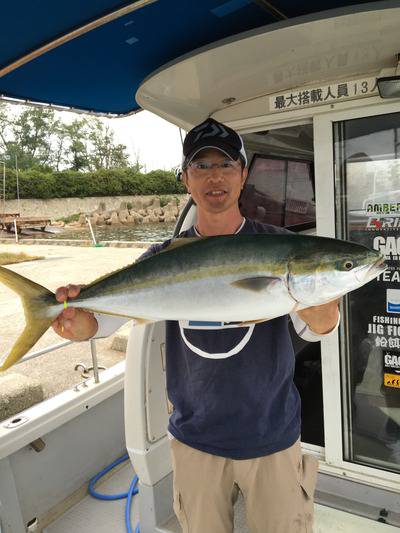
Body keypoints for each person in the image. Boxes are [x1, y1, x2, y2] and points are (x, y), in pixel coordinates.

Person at [53, 118, 340, 533]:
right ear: (186, 179)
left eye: (225, 165)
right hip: (194, 438)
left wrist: (323, 308)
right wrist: (79, 322)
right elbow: (101, 322)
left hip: (272, 435)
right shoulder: (161, 255)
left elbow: (317, 327)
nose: (214, 177)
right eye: (201, 167)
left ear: (243, 175)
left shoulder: (279, 246)